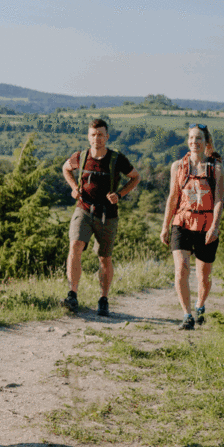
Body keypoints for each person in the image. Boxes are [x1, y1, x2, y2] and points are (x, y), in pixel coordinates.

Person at [60, 119, 140, 317]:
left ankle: (103, 299)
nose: (97, 138)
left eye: (100, 135)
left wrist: (120, 194)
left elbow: (135, 177)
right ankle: (72, 295)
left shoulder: (117, 158)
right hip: (84, 209)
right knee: (75, 246)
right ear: (89, 136)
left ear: (107, 137)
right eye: (93, 135)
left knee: (104, 258)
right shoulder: (81, 156)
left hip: (107, 215)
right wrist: (73, 188)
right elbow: (65, 169)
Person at [160, 124, 224, 331]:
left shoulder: (216, 167)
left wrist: (215, 226)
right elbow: (173, 198)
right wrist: (165, 226)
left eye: (198, 139)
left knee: (203, 276)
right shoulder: (178, 166)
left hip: (206, 225)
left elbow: (219, 200)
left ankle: (200, 306)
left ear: (206, 142)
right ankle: (187, 315)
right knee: (182, 270)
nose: (194, 142)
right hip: (182, 222)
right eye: (191, 138)